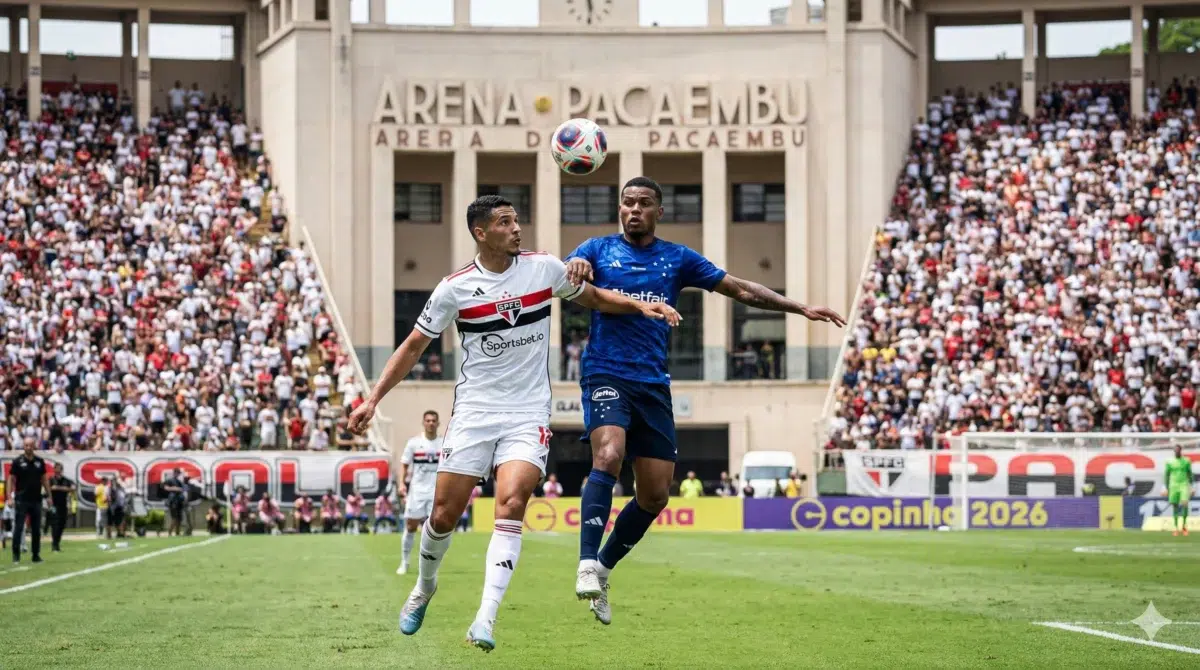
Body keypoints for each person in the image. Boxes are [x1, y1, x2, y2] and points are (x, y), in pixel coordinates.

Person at [347, 194, 680, 651]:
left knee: (512, 503)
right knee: (443, 514)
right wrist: (373, 399)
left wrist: (642, 307)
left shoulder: (542, 268)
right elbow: (412, 347)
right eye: (505, 222)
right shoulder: (454, 288)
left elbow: (595, 297)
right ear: (481, 232)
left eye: (517, 219)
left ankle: (485, 618)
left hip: (527, 413)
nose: (516, 228)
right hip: (474, 413)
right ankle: (424, 586)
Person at [563, 176, 845, 625]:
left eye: (643, 203)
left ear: (659, 211)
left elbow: (741, 289)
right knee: (609, 454)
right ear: (620, 209)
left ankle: (602, 567)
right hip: (606, 372)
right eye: (627, 202)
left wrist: (801, 309)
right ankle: (583, 562)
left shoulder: (677, 259)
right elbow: (577, 288)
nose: (633, 209)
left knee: (654, 497)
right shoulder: (596, 249)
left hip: (653, 384)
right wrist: (575, 263)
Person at [396, 411, 443, 575]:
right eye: (428, 420)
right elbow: (404, 464)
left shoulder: (444, 444)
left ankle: (430, 566)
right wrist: (402, 483)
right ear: (423, 423)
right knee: (410, 526)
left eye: (433, 421)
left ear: (438, 423)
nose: (430, 423)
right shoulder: (414, 443)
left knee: (433, 530)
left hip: (436, 493)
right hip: (417, 491)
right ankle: (405, 562)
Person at [8, 439, 50, 563]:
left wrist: (49, 495)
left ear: (34, 446)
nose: (28, 447)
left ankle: (36, 555)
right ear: (23, 446)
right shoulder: (17, 462)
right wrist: (9, 497)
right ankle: (16, 555)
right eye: (26, 445)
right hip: (21, 499)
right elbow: (10, 479)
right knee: (19, 528)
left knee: (36, 529)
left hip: (36, 499)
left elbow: (44, 479)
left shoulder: (39, 461)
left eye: (31, 445)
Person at [1163, 446, 1194, 536]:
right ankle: (1176, 528)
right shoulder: (1169, 462)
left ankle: (1184, 526)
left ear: (1180, 451)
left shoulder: (1186, 461)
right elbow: (1166, 475)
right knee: (1175, 506)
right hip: (1173, 485)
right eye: (1175, 451)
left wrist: (1192, 486)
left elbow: (1190, 474)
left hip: (1184, 484)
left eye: (1178, 450)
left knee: (1185, 503)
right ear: (1174, 452)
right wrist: (1166, 487)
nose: (1176, 452)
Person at [48, 463, 76, 552]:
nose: (58, 470)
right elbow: (49, 488)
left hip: (63, 505)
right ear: (54, 469)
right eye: (57, 468)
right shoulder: (51, 479)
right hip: (53, 505)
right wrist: (63, 488)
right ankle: (54, 544)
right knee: (55, 524)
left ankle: (57, 543)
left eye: (60, 469)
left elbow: (73, 487)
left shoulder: (66, 480)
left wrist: (58, 488)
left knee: (62, 524)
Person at [163, 468, 187, 536]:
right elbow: (166, 488)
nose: (177, 474)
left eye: (178, 473)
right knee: (174, 518)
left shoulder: (179, 481)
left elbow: (183, 489)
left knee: (180, 518)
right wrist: (175, 488)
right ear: (174, 473)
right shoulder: (169, 480)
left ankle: (177, 532)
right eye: (176, 472)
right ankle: (170, 532)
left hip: (179, 501)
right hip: (173, 501)